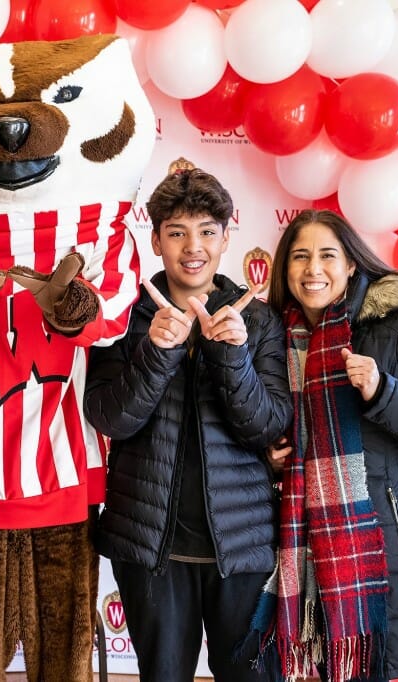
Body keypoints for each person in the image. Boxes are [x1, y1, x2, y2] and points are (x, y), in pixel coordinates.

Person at [83, 160, 292, 682]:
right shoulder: (125, 315)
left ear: (225, 239)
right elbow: (109, 418)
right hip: (151, 545)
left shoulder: (258, 320)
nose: (192, 246)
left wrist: (234, 355)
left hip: (241, 546)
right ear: (156, 241)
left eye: (206, 232)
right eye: (176, 233)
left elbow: (266, 426)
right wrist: (155, 351)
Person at [255, 208, 398, 682]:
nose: (313, 270)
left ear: (352, 264)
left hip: (384, 549)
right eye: (300, 257)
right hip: (304, 551)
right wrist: (269, 460)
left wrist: (384, 391)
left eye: (327, 256)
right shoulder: (275, 336)